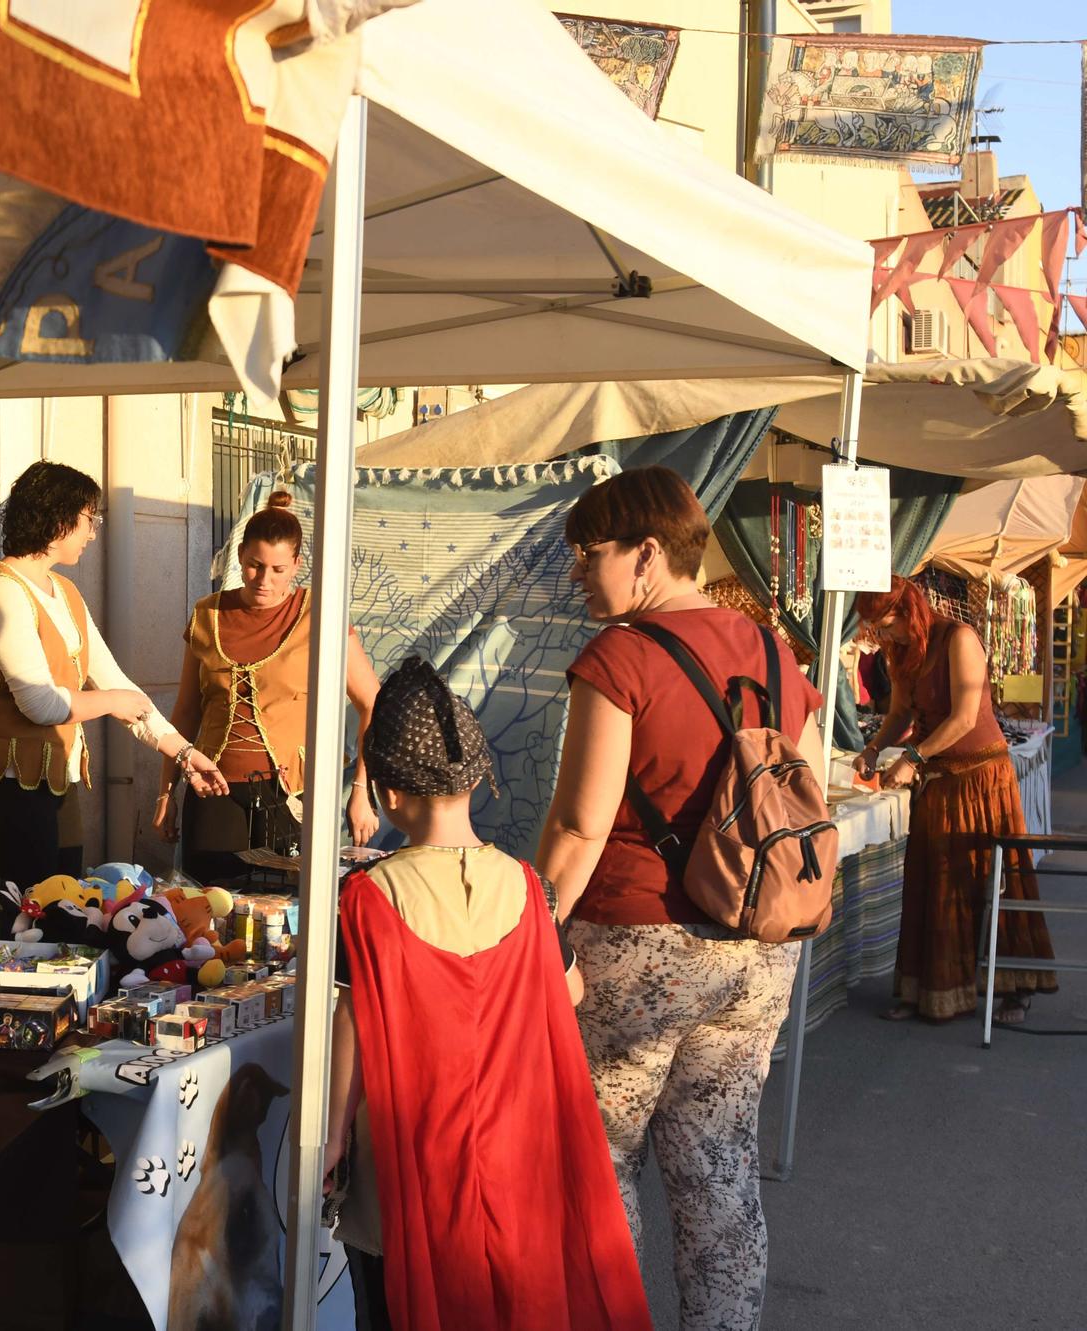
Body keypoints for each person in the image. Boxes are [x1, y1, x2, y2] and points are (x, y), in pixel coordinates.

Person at [535, 466, 822, 1331]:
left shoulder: (620, 656)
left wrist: (533, 926)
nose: (580, 573)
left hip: (637, 944)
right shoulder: (777, 652)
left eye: (591, 554)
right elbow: (793, 794)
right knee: (719, 1167)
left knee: (602, 1155)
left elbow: (583, 825)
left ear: (648, 553)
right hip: (759, 946)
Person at [324, 656, 647, 1331]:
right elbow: (573, 991)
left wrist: (327, 1146)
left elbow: (351, 1027)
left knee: (389, 1306)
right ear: (476, 779)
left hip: (405, 1161)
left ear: (386, 793)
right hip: (513, 1157)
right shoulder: (530, 890)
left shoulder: (368, 898)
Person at [0, 461, 227, 889]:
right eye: (88, 520)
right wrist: (113, 703)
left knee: (63, 915)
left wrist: (183, 753)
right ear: (59, 519)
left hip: (54, 785)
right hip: (5, 792)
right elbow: (41, 703)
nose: (93, 533)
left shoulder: (64, 591)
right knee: (24, 928)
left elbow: (118, 683)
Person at [854, 576, 1057, 1024]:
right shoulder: (900, 651)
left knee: (991, 881)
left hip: (981, 777)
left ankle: (1014, 990)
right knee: (935, 883)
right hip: (939, 779)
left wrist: (911, 756)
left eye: (885, 625)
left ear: (908, 611)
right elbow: (901, 713)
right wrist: (872, 749)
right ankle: (931, 990)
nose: (882, 636)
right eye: (876, 629)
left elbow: (965, 717)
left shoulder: (958, 638)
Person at [153, 491, 380, 884]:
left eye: (278, 569)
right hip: (212, 791)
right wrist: (165, 792)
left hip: (291, 794)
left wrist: (361, 790)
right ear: (240, 556)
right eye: (255, 565)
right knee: (208, 913)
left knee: (286, 917)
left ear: (296, 564)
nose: (264, 580)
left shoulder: (320, 614)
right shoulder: (207, 614)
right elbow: (187, 710)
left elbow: (372, 703)